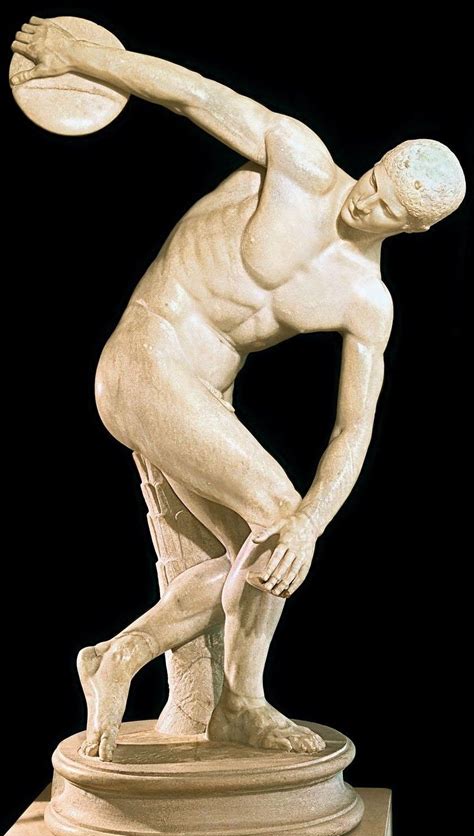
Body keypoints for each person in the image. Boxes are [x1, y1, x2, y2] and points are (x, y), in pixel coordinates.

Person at [11, 17, 466, 762]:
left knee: (264, 551)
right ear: (378, 163)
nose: (366, 204)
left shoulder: (365, 301)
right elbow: (192, 95)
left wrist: (311, 524)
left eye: (389, 209)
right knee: (275, 514)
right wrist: (81, 55)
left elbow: (353, 428)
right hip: (145, 354)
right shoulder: (300, 162)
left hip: (202, 398)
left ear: (413, 229)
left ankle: (115, 658)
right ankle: (243, 704)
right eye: (376, 181)